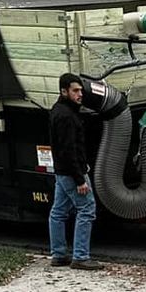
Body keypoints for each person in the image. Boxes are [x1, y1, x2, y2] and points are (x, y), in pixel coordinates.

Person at [48, 72, 102, 269]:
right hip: (72, 172)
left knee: (58, 212)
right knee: (87, 209)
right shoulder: (67, 116)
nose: (80, 94)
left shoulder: (58, 110)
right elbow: (69, 150)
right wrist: (80, 179)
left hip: (62, 172)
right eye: (75, 91)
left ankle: (59, 254)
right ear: (64, 91)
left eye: (80, 90)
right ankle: (80, 256)